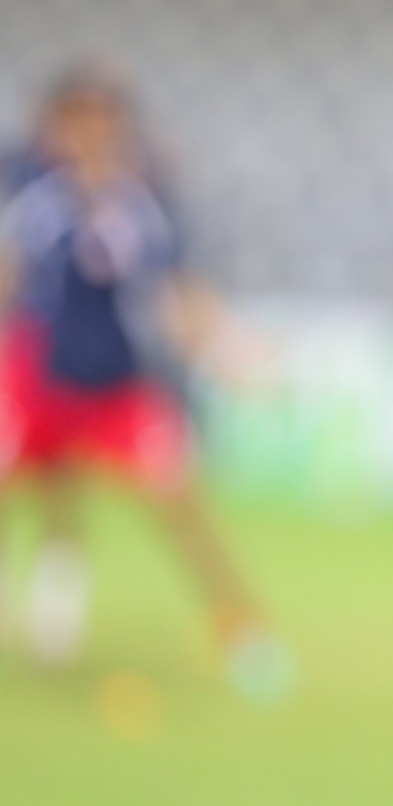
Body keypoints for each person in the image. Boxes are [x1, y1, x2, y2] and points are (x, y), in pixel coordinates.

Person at [0, 66, 286, 696]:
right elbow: (12, 276)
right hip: (35, 378)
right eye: (73, 119)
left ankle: (243, 633)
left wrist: (228, 349)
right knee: (42, 494)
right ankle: (55, 604)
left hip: (118, 387)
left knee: (182, 509)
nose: (85, 134)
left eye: (100, 120)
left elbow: (179, 294)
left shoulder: (143, 203)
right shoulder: (33, 195)